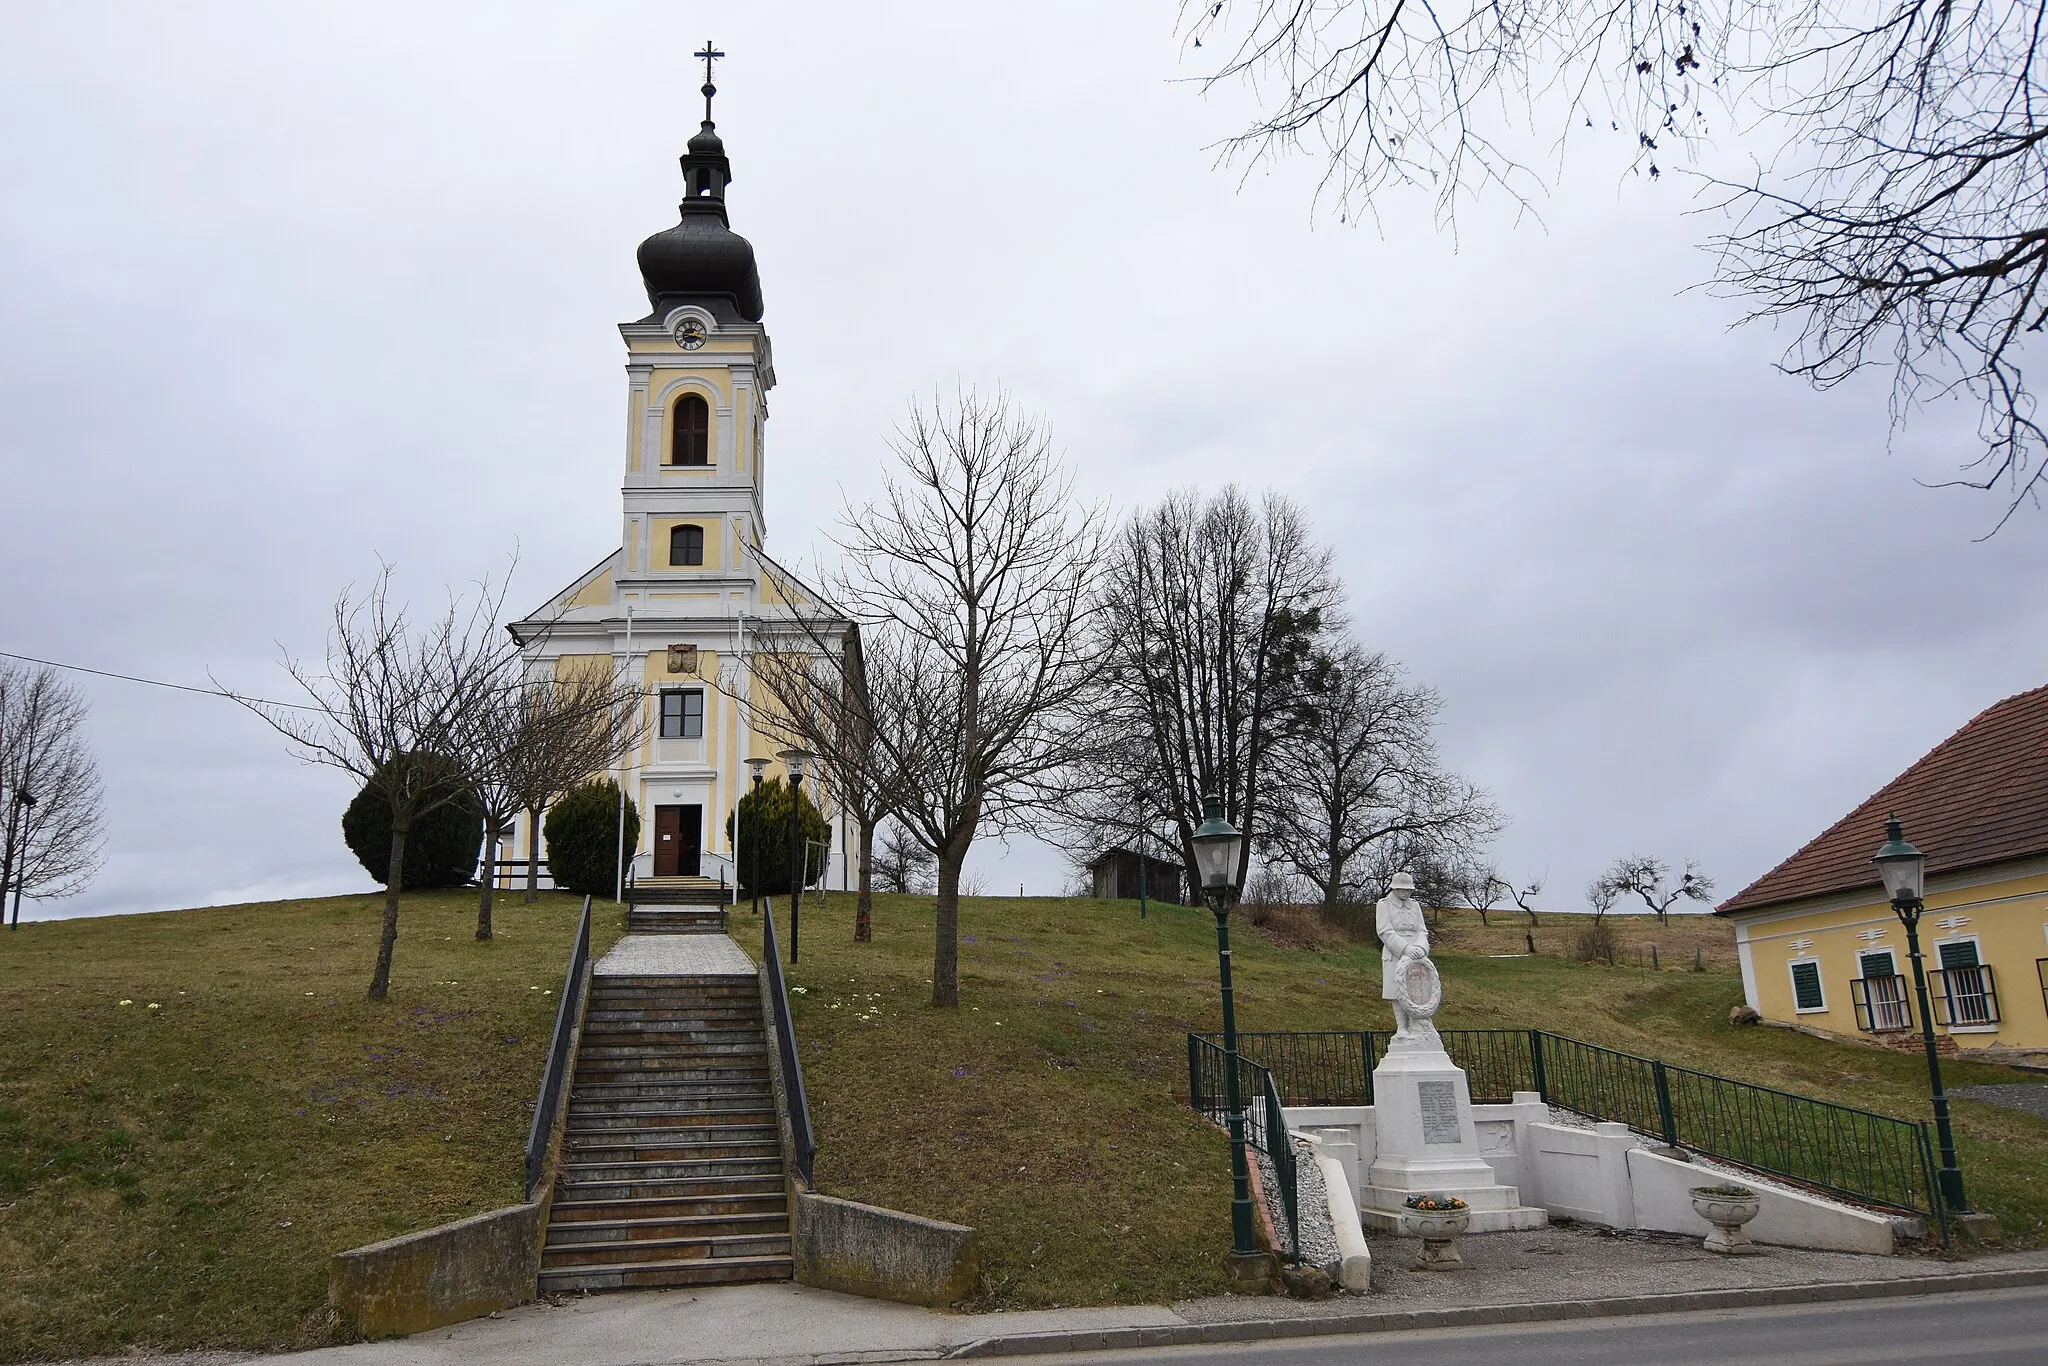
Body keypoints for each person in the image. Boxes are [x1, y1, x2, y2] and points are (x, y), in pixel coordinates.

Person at [1376, 871, 1432, 1036]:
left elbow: (1422, 931)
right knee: (1397, 990)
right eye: (1403, 889)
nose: (1406, 893)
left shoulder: (1415, 905)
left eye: (1409, 890)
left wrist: (1421, 948)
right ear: (1395, 888)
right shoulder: (1384, 904)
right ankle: (1402, 1027)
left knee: (1416, 989)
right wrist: (1405, 949)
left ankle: (1418, 1025)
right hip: (1395, 953)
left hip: (1416, 954)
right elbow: (1385, 931)